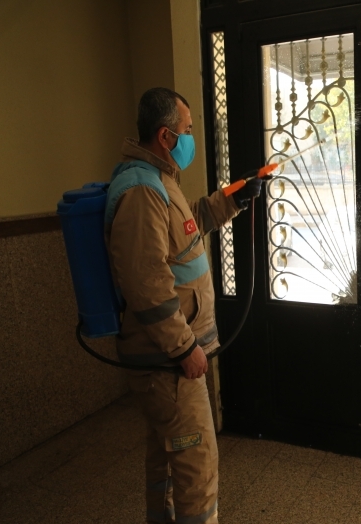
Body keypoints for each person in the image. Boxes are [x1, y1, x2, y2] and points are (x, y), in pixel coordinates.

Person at [105, 87, 262, 524]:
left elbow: (189, 225)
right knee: (197, 465)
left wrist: (234, 197)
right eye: (187, 130)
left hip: (164, 361)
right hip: (167, 363)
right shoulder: (142, 191)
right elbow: (147, 284)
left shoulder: (159, 179)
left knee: (166, 455)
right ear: (165, 136)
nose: (191, 138)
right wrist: (184, 348)